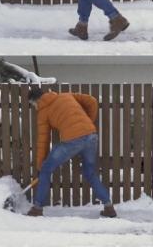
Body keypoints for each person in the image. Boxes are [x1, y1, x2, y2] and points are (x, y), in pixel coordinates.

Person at [25, 87, 116, 218]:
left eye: (32, 104)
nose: (34, 107)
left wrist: (41, 166)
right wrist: (88, 122)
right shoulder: (65, 95)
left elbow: (43, 140)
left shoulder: (43, 111)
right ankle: (108, 207)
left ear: (35, 101)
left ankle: (37, 208)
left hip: (73, 140)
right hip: (91, 135)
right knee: (90, 173)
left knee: (45, 170)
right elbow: (92, 101)